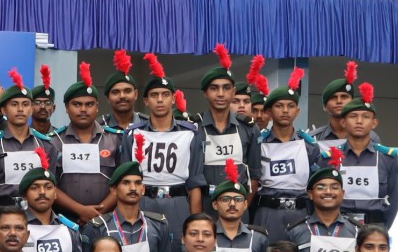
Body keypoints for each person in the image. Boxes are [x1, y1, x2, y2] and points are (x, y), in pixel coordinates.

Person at [79, 146, 179, 252]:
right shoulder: (97, 227)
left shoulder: (159, 225)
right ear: (114, 190)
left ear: (143, 189)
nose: (133, 188)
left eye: (138, 183)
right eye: (126, 183)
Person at [251, 69, 329, 238]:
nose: (285, 110)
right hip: (267, 213)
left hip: (300, 214)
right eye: (279, 106)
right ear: (269, 112)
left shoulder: (309, 145)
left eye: (291, 106)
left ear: (297, 111)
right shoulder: (258, 143)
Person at [132, 55, 207, 230]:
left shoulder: (190, 133)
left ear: (173, 99)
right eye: (154, 95)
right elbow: (125, 181)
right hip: (143, 202)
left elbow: (195, 183)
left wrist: (195, 224)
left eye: (165, 95)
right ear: (146, 101)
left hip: (177, 203)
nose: (160, 99)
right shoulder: (133, 134)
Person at [53, 62, 121, 223]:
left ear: (97, 107)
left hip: (106, 219)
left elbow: (123, 181)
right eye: (77, 104)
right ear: (66, 108)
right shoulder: (53, 141)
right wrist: (81, 210)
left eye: (89, 104)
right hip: (65, 220)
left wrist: (97, 213)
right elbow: (48, 184)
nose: (83, 109)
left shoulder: (116, 139)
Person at [284, 161, 362, 252]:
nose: (328, 192)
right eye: (321, 187)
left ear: (343, 193)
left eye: (334, 187)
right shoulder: (295, 231)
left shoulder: (358, 231)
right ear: (310, 194)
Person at [197, 45, 261, 212]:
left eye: (226, 88)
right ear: (205, 93)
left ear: (233, 92)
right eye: (214, 88)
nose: (220, 94)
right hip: (205, 206)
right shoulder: (194, 128)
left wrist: (242, 207)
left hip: (238, 208)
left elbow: (255, 176)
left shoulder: (249, 128)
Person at [0, 70, 56, 211]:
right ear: (3, 110)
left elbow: (52, 185)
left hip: (36, 213)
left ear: (31, 109)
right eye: (14, 104)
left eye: (25, 104)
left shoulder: (46, 145)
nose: (20, 109)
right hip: (1, 212)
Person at [335, 83, 398, 227]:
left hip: (375, 226)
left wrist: (382, 228)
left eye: (365, 117)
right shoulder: (330, 157)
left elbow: (394, 199)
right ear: (343, 122)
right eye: (353, 116)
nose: (359, 121)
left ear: (374, 123)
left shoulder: (388, 159)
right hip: (339, 227)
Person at [210, 162, 266, 252]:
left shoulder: (258, 238)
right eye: (225, 199)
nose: (232, 204)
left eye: (238, 199)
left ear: (245, 204)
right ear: (215, 205)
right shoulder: (206, 236)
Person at [30, 66, 57, 137]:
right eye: (37, 103)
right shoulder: (23, 136)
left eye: (47, 103)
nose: (43, 106)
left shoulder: (60, 136)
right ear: (30, 107)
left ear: (54, 108)